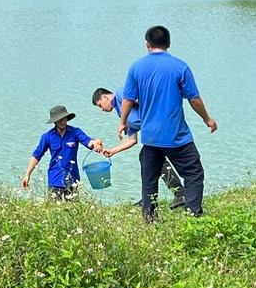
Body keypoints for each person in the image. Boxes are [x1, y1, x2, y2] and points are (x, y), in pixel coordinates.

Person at [120, 26, 217, 220]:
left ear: (147, 44)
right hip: (176, 135)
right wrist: (207, 119)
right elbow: (194, 99)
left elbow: (128, 100)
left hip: (150, 136)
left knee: (149, 179)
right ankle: (193, 214)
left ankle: (150, 218)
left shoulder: (136, 67)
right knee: (193, 173)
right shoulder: (180, 67)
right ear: (169, 43)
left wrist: (123, 122)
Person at [92, 87, 185, 209]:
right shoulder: (121, 112)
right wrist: (113, 151)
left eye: (100, 105)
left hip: (161, 126)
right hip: (154, 133)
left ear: (105, 97)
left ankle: (178, 193)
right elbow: (132, 140)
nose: (102, 109)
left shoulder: (121, 95)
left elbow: (147, 100)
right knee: (145, 157)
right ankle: (150, 197)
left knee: (152, 157)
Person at [21, 105, 104, 199]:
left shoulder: (75, 132)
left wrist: (95, 143)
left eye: (64, 118)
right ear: (54, 121)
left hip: (72, 179)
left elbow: (88, 141)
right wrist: (27, 174)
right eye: (60, 119)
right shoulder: (47, 136)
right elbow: (37, 155)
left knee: (73, 207)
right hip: (55, 179)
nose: (63, 122)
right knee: (54, 207)